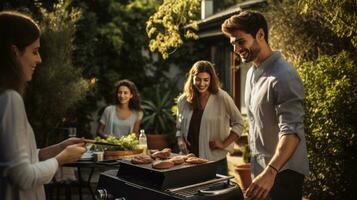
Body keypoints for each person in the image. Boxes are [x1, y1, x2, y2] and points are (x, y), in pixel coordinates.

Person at [222, 10, 309, 200]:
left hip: (282, 173)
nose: (236, 49)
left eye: (240, 41)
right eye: (233, 44)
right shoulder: (253, 73)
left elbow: (292, 132)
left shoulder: (284, 76)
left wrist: (271, 171)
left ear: (260, 35)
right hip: (261, 168)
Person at [0, 11, 86, 200]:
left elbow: (15, 162)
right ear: (14, 52)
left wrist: (58, 148)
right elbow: (23, 177)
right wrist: (62, 159)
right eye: (34, 51)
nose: (39, 59)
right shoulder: (9, 99)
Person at [176, 60, 244, 175]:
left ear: (211, 79)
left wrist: (223, 143)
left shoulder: (222, 97)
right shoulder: (183, 100)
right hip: (188, 161)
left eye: (206, 80)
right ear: (192, 79)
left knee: (217, 192)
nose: (201, 84)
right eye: (198, 79)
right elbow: (179, 128)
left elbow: (239, 123)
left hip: (215, 162)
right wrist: (180, 141)